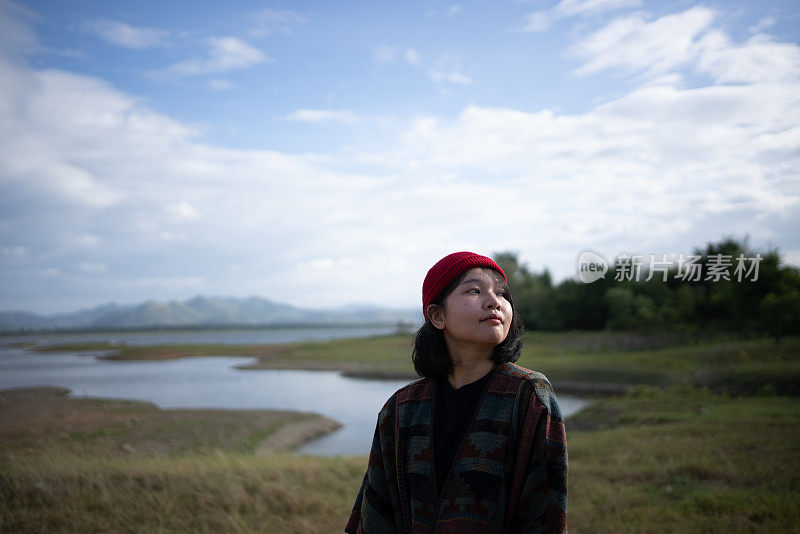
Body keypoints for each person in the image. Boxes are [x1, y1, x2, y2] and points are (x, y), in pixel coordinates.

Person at [345, 252, 568, 534]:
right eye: (475, 290)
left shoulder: (529, 396)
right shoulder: (400, 408)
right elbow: (377, 511)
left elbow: (545, 512)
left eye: (502, 293)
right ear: (437, 315)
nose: (494, 302)